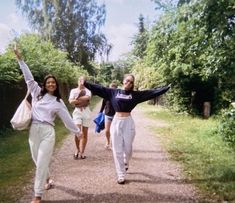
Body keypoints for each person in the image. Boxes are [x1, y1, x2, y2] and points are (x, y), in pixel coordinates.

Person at [14, 48, 82, 203]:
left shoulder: (58, 102)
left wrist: (77, 131)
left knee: (42, 162)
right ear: (45, 84)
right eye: (48, 82)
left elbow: (67, 119)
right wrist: (20, 60)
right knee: (37, 159)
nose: (51, 84)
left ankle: (38, 195)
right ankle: (48, 178)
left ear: (56, 86)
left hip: (47, 132)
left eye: (53, 82)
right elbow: (29, 79)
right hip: (34, 130)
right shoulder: (36, 92)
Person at [81, 74, 171, 184]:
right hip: (116, 121)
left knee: (128, 149)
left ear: (133, 84)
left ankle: (126, 161)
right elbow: (99, 88)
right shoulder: (113, 92)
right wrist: (85, 83)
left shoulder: (135, 95)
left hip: (128, 122)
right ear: (123, 81)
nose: (129, 83)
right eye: (127, 80)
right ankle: (121, 174)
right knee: (117, 149)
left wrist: (165, 88)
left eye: (131, 82)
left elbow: (151, 92)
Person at [69, 76, 91, 159]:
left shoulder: (88, 90)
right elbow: (71, 101)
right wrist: (81, 101)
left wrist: (76, 99)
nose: (82, 82)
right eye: (80, 80)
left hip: (86, 112)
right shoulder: (73, 90)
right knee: (77, 132)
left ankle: (82, 152)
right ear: (78, 81)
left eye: (84, 81)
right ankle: (77, 149)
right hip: (77, 112)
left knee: (85, 133)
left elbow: (88, 98)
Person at [99, 82, 117, 150]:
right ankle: (108, 141)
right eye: (110, 89)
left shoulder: (117, 97)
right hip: (108, 115)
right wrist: (100, 112)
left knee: (114, 131)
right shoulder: (106, 96)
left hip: (116, 116)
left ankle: (113, 143)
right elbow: (103, 105)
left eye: (113, 89)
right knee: (107, 130)